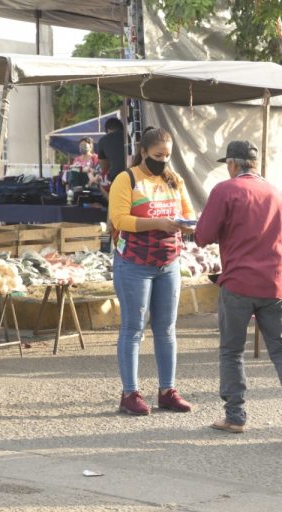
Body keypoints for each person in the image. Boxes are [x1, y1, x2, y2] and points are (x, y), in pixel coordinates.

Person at [195, 140, 282, 439]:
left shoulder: (225, 190)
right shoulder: (279, 194)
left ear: (232, 164)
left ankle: (235, 417)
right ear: (255, 164)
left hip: (238, 283)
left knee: (232, 351)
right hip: (275, 285)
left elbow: (203, 235)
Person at [108, 127, 195, 416]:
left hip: (168, 263)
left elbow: (188, 212)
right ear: (143, 152)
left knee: (166, 329)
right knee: (133, 328)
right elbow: (120, 219)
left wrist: (186, 224)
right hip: (134, 263)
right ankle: (130, 393)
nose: (163, 161)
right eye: (158, 156)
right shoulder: (127, 179)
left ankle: (168, 391)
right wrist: (158, 223)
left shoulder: (174, 179)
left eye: (167, 156)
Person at [97, 117, 127, 183]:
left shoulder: (103, 140)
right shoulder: (129, 136)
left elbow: (104, 167)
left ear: (108, 130)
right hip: (135, 175)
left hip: (116, 178)